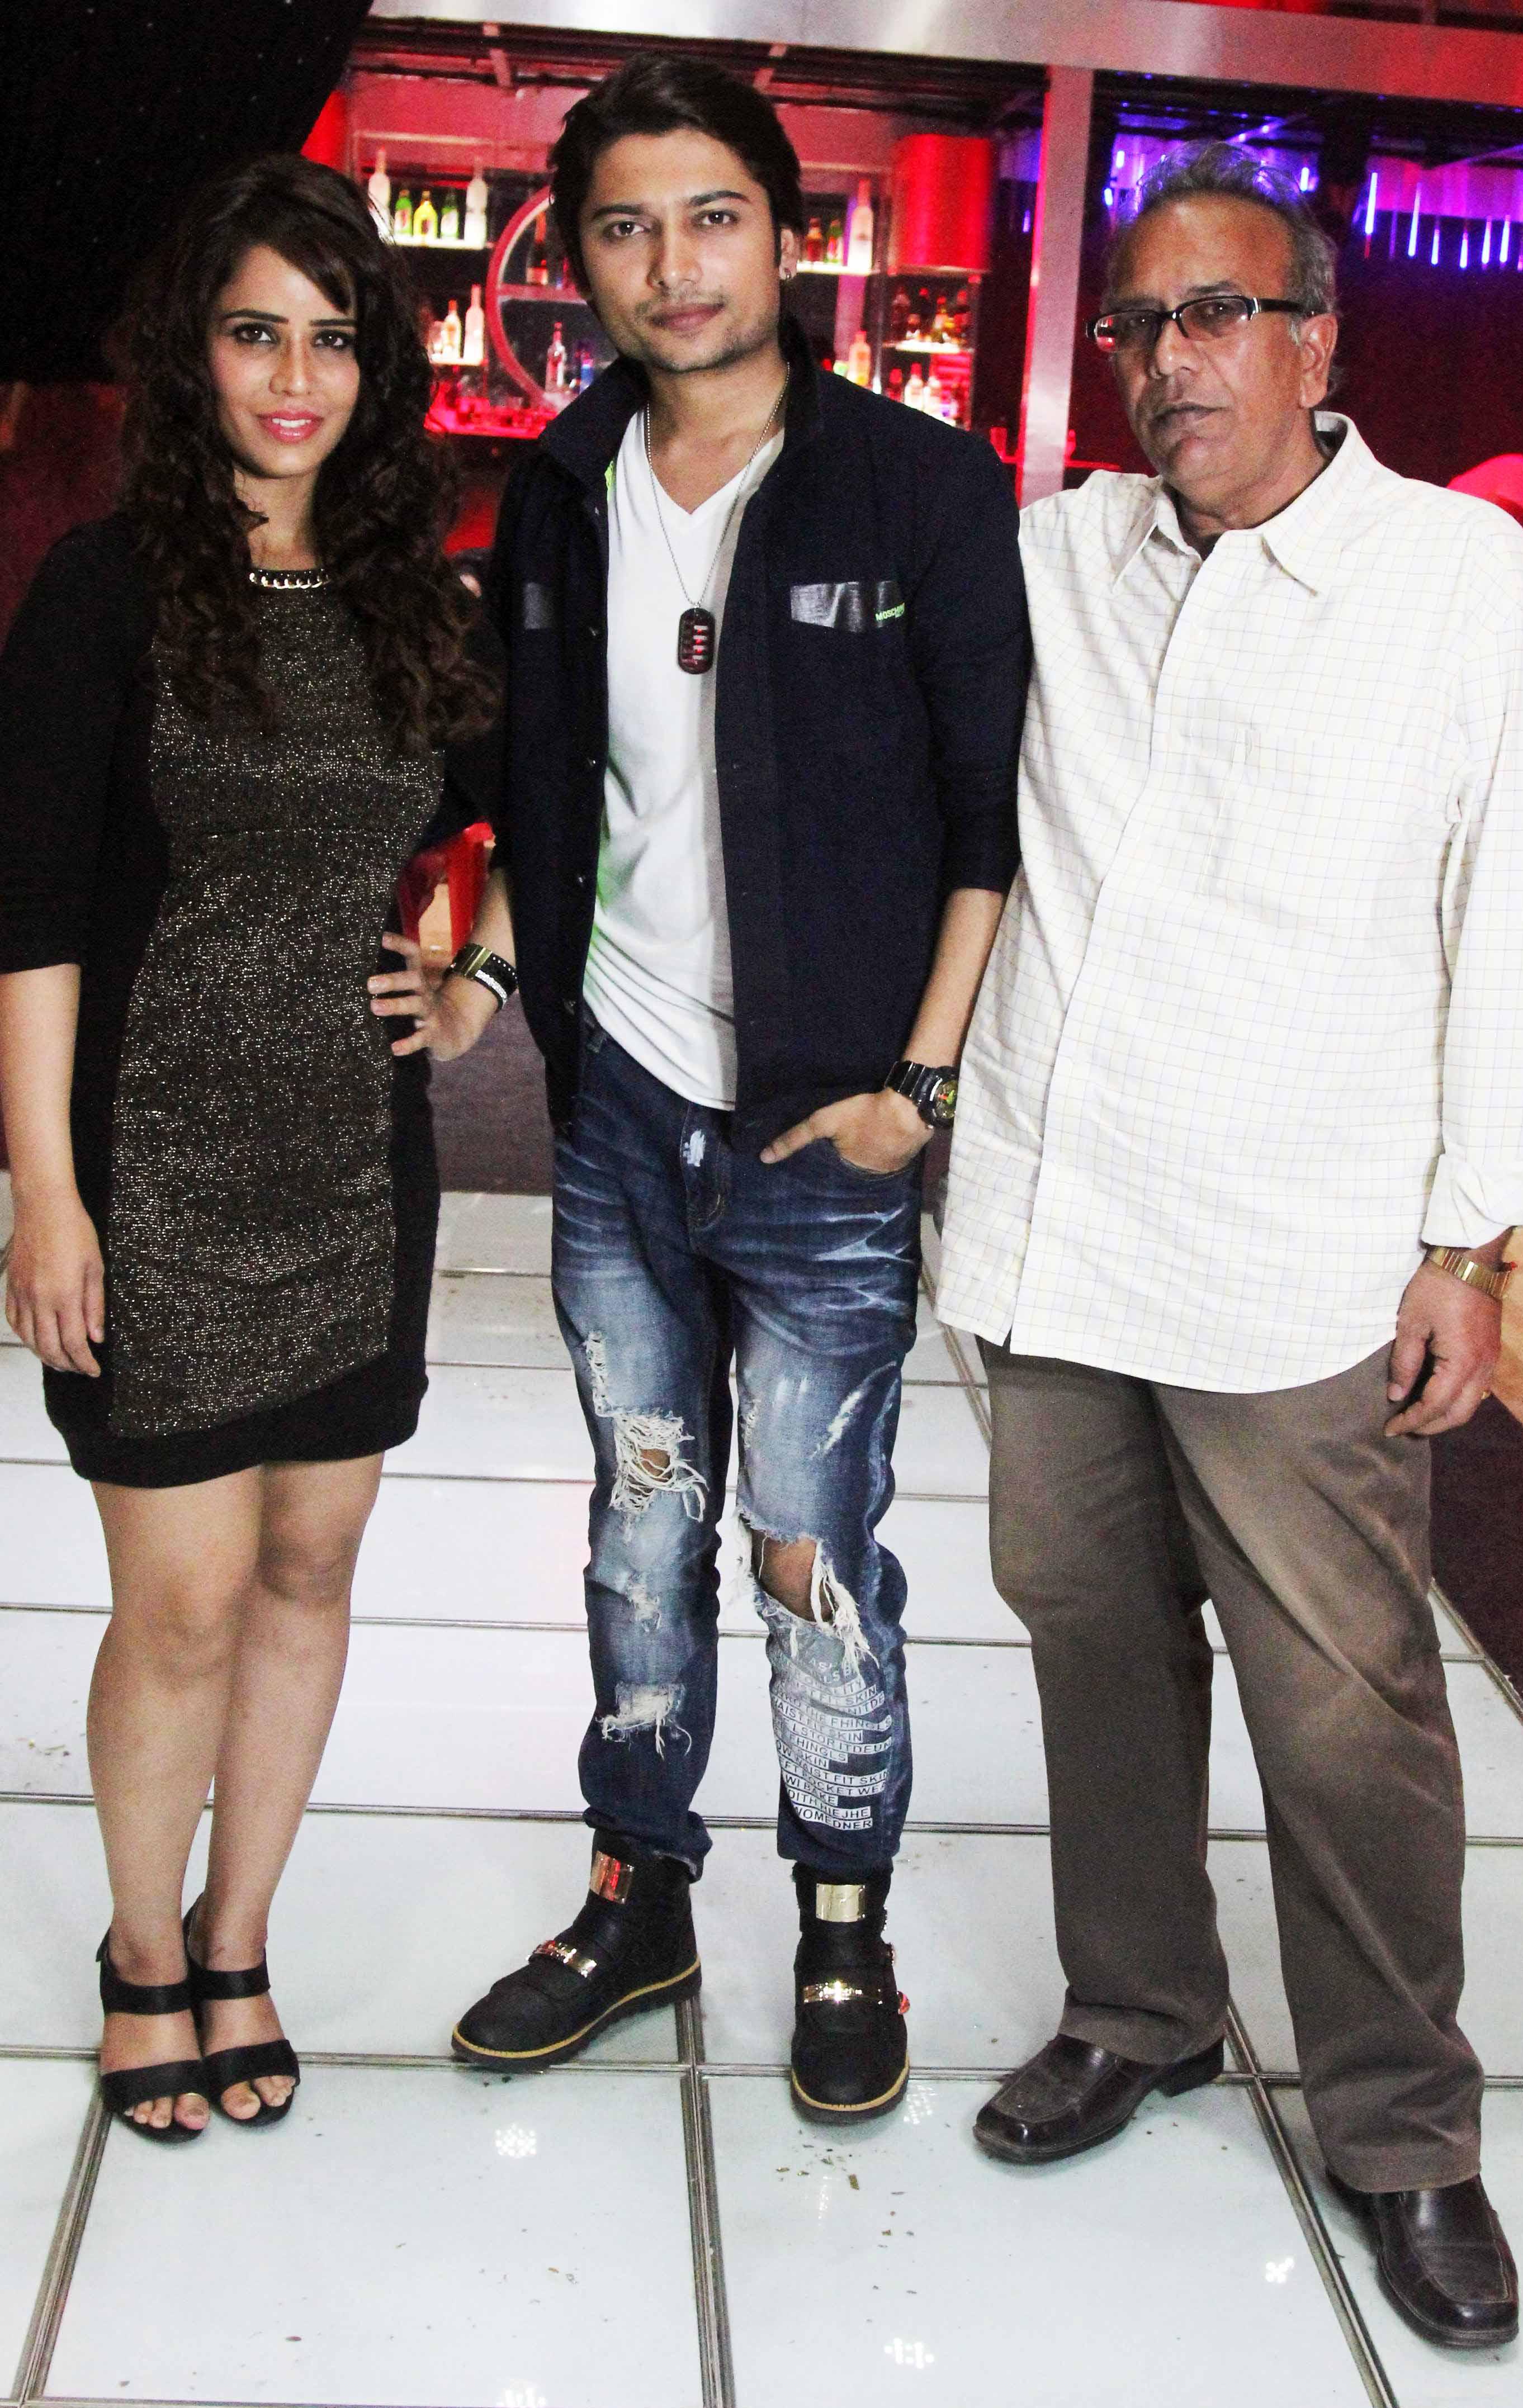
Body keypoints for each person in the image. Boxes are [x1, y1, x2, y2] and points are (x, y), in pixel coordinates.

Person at [938, 143, 1523, 2348]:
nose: (1170, 361)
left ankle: (1405, 2130)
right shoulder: (1066, 555)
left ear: (1319, 337)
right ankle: (1137, 2007)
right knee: (1091, 1640)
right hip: (1059, 1223)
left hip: (1297, 1251)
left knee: (1345, 1714)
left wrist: (1476, 1238)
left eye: (1215, 314)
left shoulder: (1459, 584)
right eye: (1138, 324)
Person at [450, 54, 1027, 2123]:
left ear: (785, 237)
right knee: (640, 1521)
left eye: (710, 218)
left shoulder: (918, 488)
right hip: (619, 1109)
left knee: (812, 1540)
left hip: (825, 1127)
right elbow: (544, 778)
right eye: (624, 226)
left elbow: (989, 817)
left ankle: (843, 1920)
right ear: (578, 258)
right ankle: (640, 1890)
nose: (670, 264)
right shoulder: (558, 486)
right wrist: (488, 965)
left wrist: (916, 1094)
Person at [0, 155, 512, 2142]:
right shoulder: (108, 589)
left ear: (377, 369)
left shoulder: (411, 598)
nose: (295, 379)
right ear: (192, 356)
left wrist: (471, 981)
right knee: (185, 1598)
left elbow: (550, 807)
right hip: (150, 1161)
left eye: (332, 339)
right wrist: (44, 1194)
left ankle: (238, 1937)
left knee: (311, 1561)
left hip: (356, 1163)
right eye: (254, 334)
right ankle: (143, 1950)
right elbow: (31, 912)